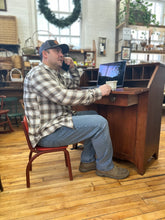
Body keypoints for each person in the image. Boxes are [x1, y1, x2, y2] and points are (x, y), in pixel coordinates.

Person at [23, 40, 129, 179]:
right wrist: (98, 92)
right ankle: (105, 168)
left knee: (92, 114)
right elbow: (63, 97)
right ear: (45, 54)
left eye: (62, 52)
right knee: (100, 123)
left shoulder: (53, 74)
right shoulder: (39, 73)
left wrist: (72, 67)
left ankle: (87, 162)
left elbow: (73, 84)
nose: (62, 55)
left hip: (54, 124)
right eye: (57, 51)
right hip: (47, 134)